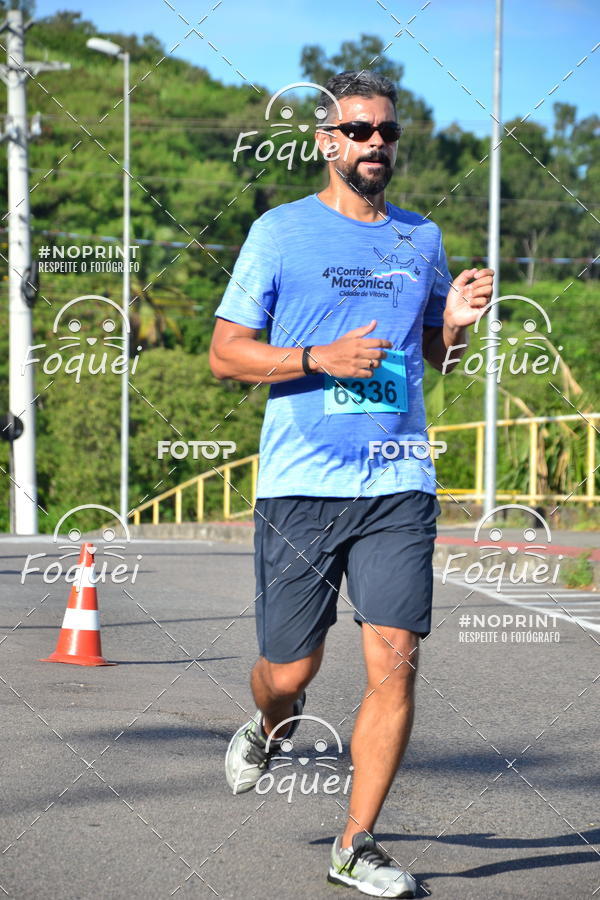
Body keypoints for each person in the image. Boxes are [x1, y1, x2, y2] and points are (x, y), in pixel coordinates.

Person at [209, 70, 494, 898]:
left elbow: (437, 357)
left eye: (387, 132)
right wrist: (317, 359)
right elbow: (226, 353)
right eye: (360, 130)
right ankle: (272, 722)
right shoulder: (279, 232)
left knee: (396, 660)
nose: (376, 144)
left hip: (398, 479)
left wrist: (457, 326)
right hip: (301, 481)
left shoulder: (422, 238)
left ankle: (356, 844)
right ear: (327, 141)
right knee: (289, 671)